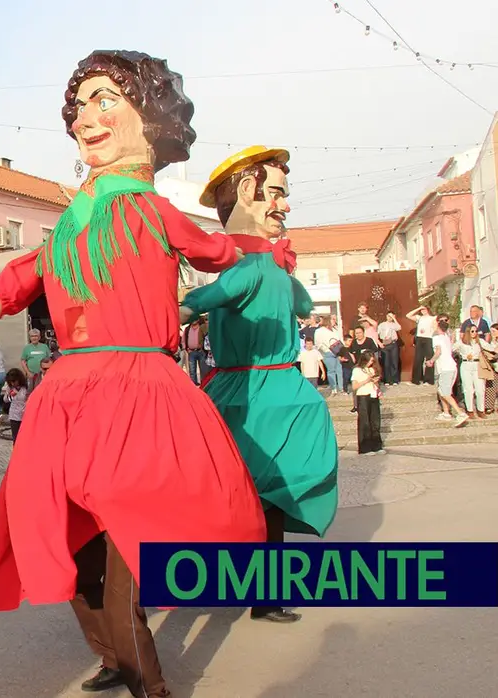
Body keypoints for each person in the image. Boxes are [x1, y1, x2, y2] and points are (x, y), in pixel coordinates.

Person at [0, 50, 266, 698]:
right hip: (68, 396)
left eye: (107, 99)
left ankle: (148, 685)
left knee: (129, 543)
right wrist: (0, 294)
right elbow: (32, 266)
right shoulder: (73, 222)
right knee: (69, 549)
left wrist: (243, 255)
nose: (87, 117)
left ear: (147, 118)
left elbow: (214, 249)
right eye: (80, 106)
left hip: (137, 391)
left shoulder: (152, 209)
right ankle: (112, 656)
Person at [183, 144, 340, 623]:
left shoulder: (262, 267)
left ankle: (256, 591)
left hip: (266, 391)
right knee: (248, 498)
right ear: (247, 194)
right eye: (275, 192)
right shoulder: (249, 269)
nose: (285, 204)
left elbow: (300, 303)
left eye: (285, 194)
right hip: (247, 394)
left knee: (259, 498)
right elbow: (192, 305)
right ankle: (255, 592)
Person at [427, 317, 468, 427]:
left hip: (446, 368)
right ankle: (446, 413)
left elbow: (438, 352)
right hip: (449, 367)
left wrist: (431, 361)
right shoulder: (446, 336)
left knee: (445, 392)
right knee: (442, 390)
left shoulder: (437, 338)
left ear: (438, 327)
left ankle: (460, 413)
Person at [455, 325, 495, 419]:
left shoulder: (480, 341)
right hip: (466, 364)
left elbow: (491, 348)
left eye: (476, 331)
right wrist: (459, 354)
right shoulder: (462, 342)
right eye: (472, 331)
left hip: (477, 365)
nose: (474, 333)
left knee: (480, 389)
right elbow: (452, 349)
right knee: (468, 389)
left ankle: (480, 409)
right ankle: (470, 410)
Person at [351, 352, 385, 455]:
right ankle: (365, 447)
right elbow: (354, 386)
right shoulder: (357, 370)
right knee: (365, 422)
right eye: (370, 360)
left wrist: (375, 381)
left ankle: (376, 445)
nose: (372, 362)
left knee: (375, 421)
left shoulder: (371, 369)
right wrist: (366, 380)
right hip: (363, 396)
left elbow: (376, 384)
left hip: (373, 395)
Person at [407, 305, 436, 385]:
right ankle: (416, 379)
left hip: (429, 338)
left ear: (428, 310)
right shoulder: (419, 318)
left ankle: (428, 380)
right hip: (419, 338)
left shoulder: (432, 318)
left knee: (429, 358)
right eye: (422, 310)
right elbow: (408, 315)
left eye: (424, 309)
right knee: (418, 359)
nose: (423, 311)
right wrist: (418, 308)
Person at [0, 369, 28, 442]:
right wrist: (10, 395)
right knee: (16, 438)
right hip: (14, 415)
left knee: (25, 438)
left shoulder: (26, 387)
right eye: (10, 382)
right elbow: (5, 400)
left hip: (25, 415)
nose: (12, 384)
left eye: (14, 381)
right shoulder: (10, 387)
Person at [376, 312, 402, 385]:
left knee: (394, 362)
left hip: (393, 344)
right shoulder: (382, 324)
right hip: (385, 344)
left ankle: (395, 380)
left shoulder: (394, 325)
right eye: (388, 316)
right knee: (386, 363)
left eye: (391, 316)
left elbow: (399, 327)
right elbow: (377, 334)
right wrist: (379, 343)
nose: (389, 317)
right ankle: (387, 380)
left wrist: (394, 319)